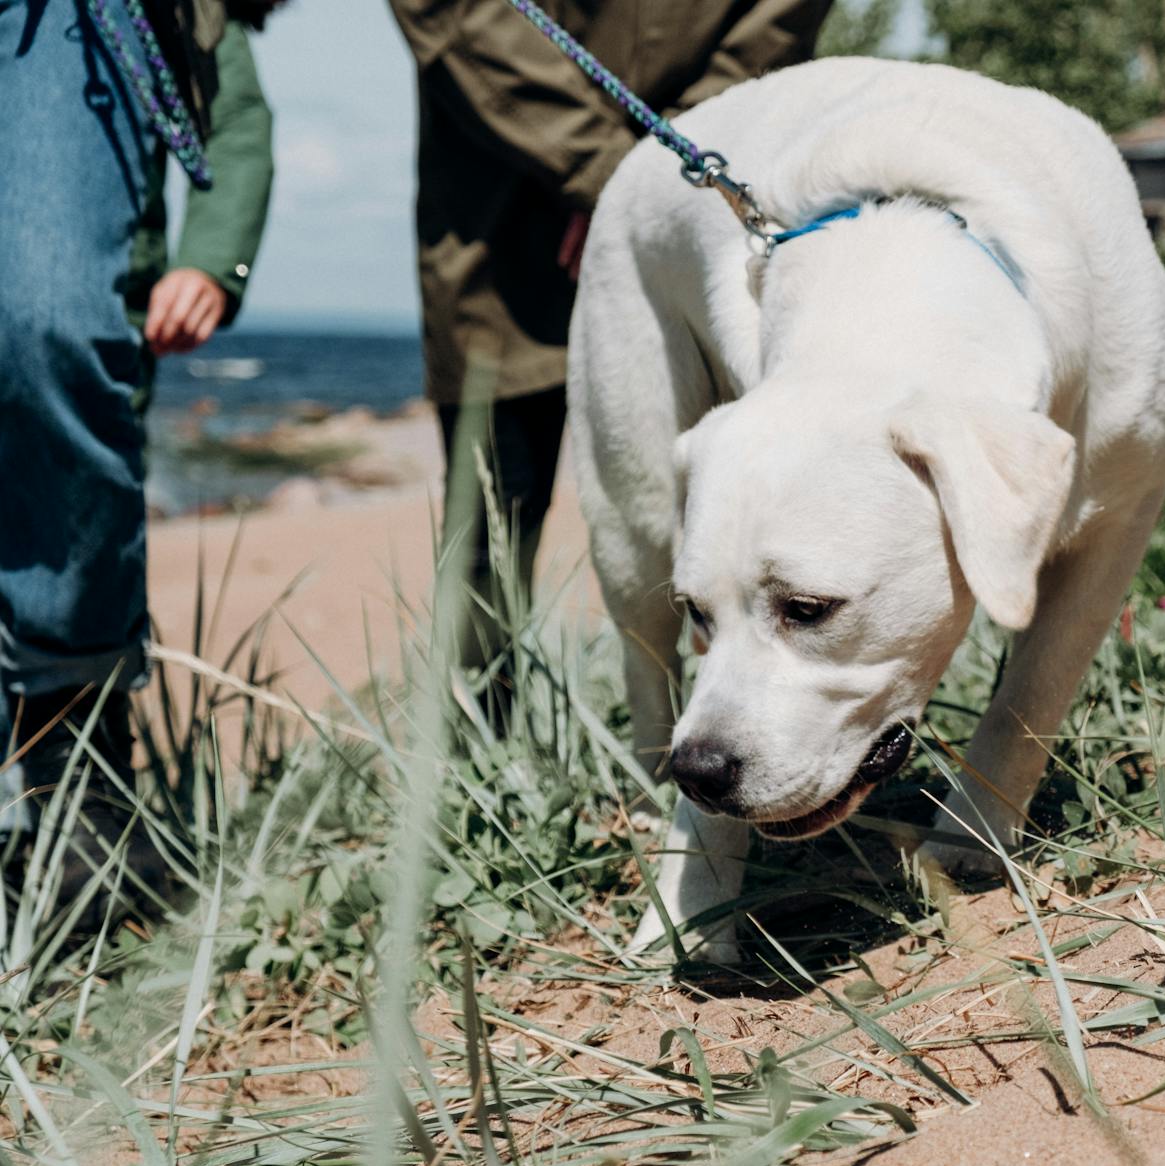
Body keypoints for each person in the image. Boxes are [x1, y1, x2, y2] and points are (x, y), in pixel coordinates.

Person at [386, 0, 832, 722]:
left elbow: (774, 21)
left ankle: (752, 742)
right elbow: (456, 16)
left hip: (697, 221)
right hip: (501, 219)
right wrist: (608, 175)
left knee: (739, 501)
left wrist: (642, 182)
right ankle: (474, 769)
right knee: (495, 520)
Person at [0, 0, 275, 911]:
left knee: (44, 338)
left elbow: (234, 117)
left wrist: (211, 260)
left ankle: (78, 762)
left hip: (71, 42)